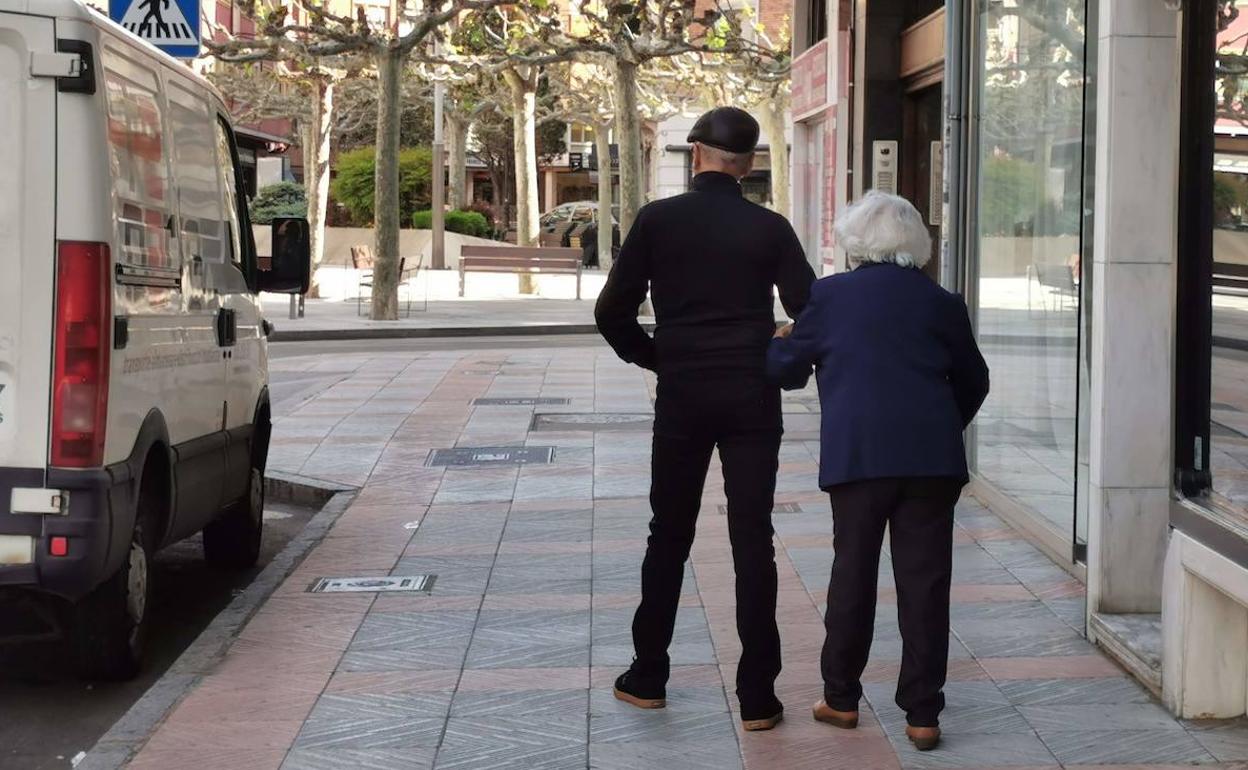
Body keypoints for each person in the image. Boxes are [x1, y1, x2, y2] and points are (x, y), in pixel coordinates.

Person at [595, 106, 816, 731]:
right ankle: (758, 698)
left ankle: (648, 676)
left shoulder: (657, 221)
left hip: (684, 393)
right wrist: (779, 354)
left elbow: (612, 312)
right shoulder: (770, 228)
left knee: (668, 532)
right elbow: (811, 309)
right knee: (753, 539)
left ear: (695, 154)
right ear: (748, 164)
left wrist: (659, 356)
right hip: (752, 397)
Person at [767, 191, 989, 751]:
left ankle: (840, 698)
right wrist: (941, 426)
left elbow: (787, 372)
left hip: (859, 458)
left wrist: (779, 342)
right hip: (931, 463)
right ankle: (922, 715)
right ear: (916, 243)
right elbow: (975, 379)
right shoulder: (943, 302)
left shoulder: (831, 297)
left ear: (854, 242)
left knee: (852, 575)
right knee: (925, 583)